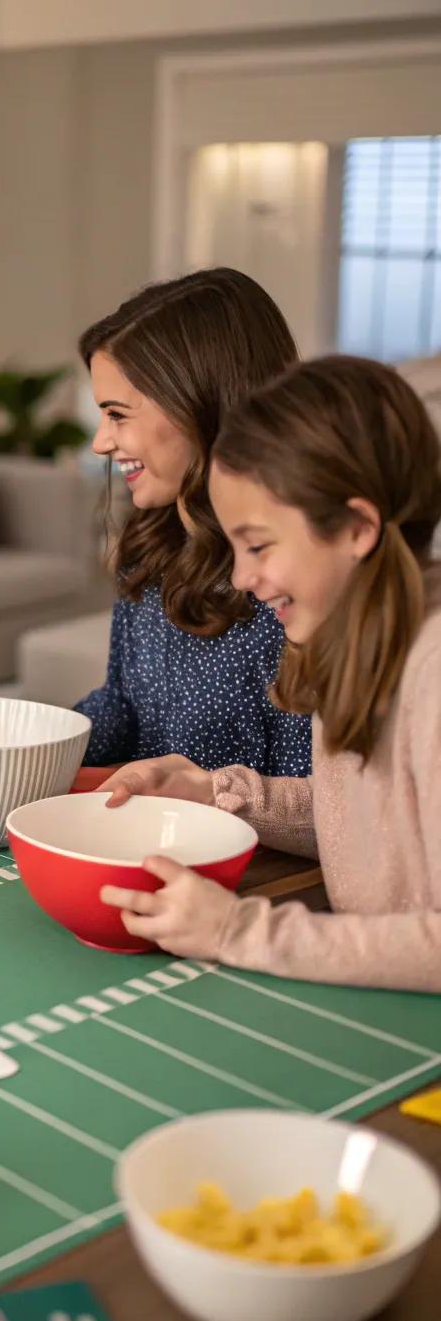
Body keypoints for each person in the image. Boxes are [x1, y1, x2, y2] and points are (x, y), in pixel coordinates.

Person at [101, 355, 441, 993]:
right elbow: (369, 826)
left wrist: (240, 930)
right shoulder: (350, 641)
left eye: (258, 546)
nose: (241, 577)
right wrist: (219, 793)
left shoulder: (433, 669)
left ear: (358, 528)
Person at [74, 268, 311, 778]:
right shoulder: (149, 543)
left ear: (197, 404)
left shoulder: (293, 582)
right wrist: (28, 743)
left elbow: (315, 793)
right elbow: (121, 704)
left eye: (117, 414)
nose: (100, 442)